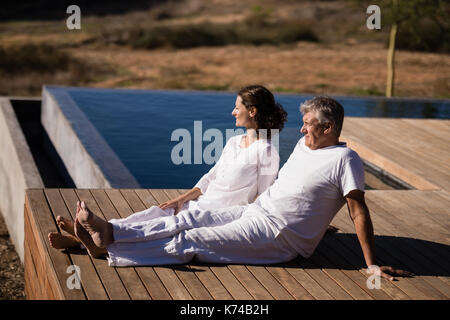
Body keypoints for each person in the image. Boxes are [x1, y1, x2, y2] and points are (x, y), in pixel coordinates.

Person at [48, 85, 288, 249]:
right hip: (202, 203)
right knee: (157, 213)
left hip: (223, 214)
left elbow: (263, 200)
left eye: (238, 107)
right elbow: (211, 177)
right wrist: (181, 199)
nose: (232, 112)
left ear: (252, 111)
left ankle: (95, 235)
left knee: (168, 226)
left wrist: (235, 226)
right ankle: (88, 236)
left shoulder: (267, 152)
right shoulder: (235, 141)